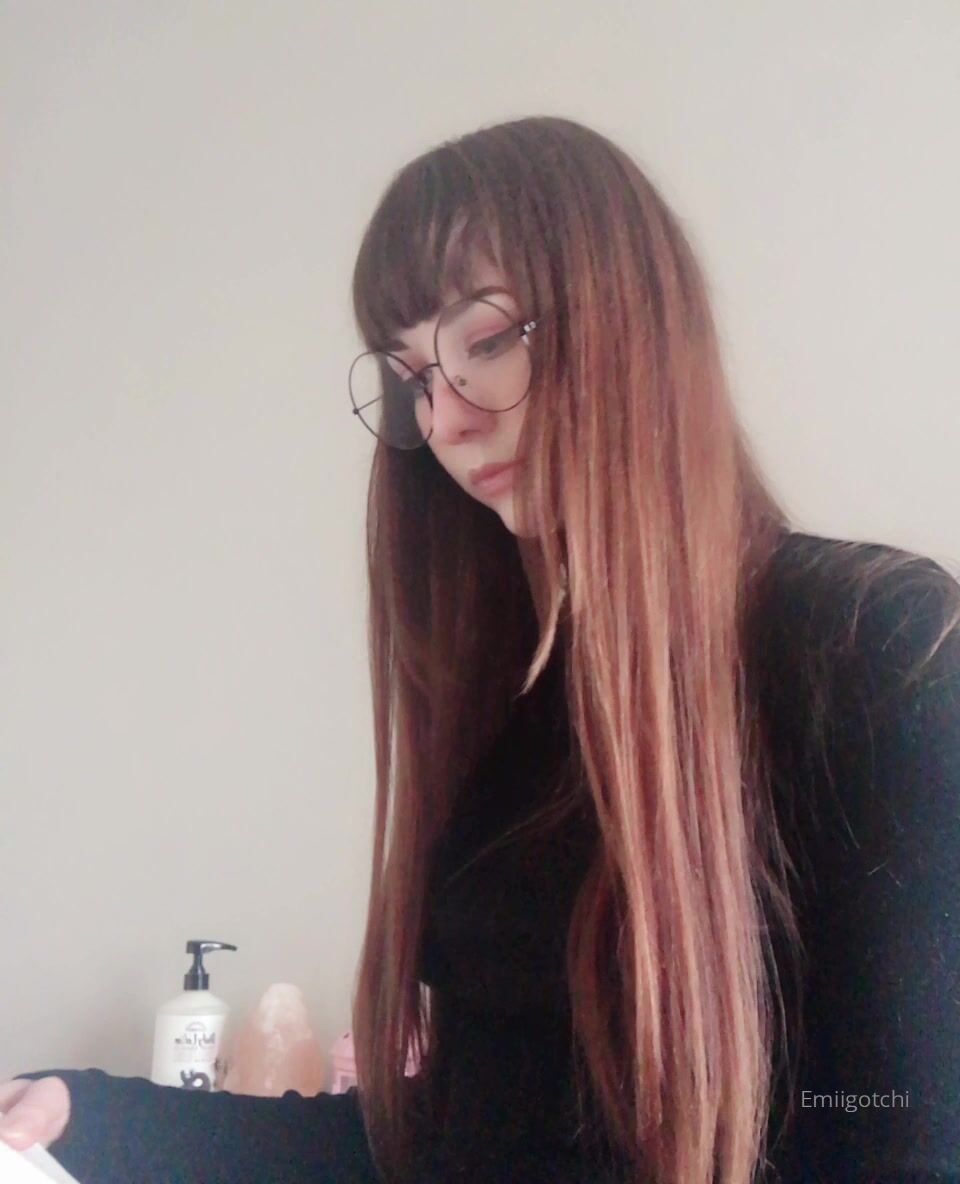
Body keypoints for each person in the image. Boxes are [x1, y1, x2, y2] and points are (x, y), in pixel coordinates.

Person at [3, 115, 959, 1184]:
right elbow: (450, 1141)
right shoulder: (518, 717)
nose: (443, 421)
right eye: (413, 376)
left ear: (629, 317)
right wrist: (94, 1121)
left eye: (487, 342)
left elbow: (904, 1131)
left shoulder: (874, 649)